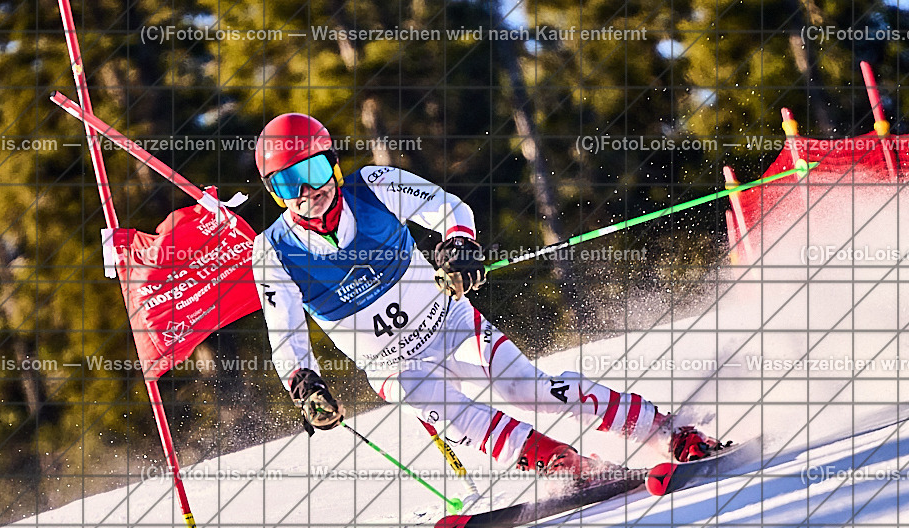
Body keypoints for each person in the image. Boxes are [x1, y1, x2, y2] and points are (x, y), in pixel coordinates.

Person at [251, 113, 719, 478]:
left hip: (449, 324)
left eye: (312, 170)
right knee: (459, 420)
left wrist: (459, 243)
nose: (308, 191)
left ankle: (669, 432)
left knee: (532, 390)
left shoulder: (372, 187)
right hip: (392, 365)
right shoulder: (272, 251)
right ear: (275, 193)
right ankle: (563, 463)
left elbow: (447, 207)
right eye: (289, 183)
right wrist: (303, 383)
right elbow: (285, 333)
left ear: (332, 162)